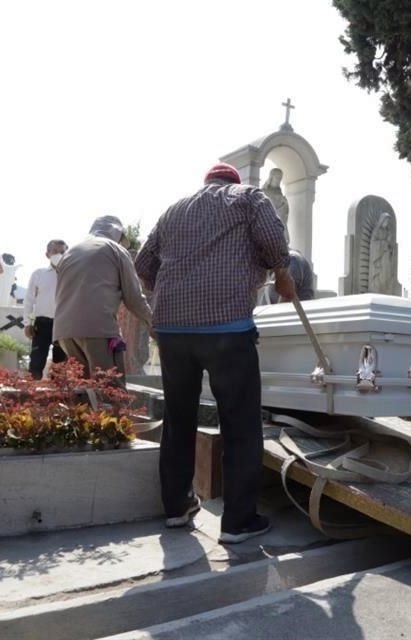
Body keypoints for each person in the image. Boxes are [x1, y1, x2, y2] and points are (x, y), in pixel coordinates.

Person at [135, 162, 295, 545]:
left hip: (173, 331)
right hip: (226, 327)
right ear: (233, 182)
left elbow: (143, 264)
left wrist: (174, 292)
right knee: (239, 424)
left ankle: (176, 508)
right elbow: (273, 238)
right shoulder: (249, 197)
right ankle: (238, 522)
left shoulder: (175, 209)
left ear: (207, 183)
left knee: (178, 420)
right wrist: (283, 273)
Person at [53, 216, 154, 385]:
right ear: (118, 234)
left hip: (65, 333)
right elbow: (134, 298)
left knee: (83, 395)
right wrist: (153, 322)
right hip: (97, 330)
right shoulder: (115, 250)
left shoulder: (71, 252)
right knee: (110, 392)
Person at [23, 240, 68, 379]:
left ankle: (57, 397)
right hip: (42, 324)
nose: (59, 255)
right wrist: (27, 323)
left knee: (60, 366)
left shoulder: (71, 275)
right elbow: (29, 299)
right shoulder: (39, 274)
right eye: (55, 252)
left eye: (62, 252)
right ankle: (31, 395)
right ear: (47, 254)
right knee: (36, 361)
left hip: (63, 324)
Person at [261, 167, 290, 244]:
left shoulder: (279, 192)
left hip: (280, 222)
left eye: (280, 178)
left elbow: (284, 212)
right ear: (271, 177)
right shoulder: (263, 192)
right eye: (277, 178)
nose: (278, 180)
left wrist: (284, 203)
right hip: (267, 223)